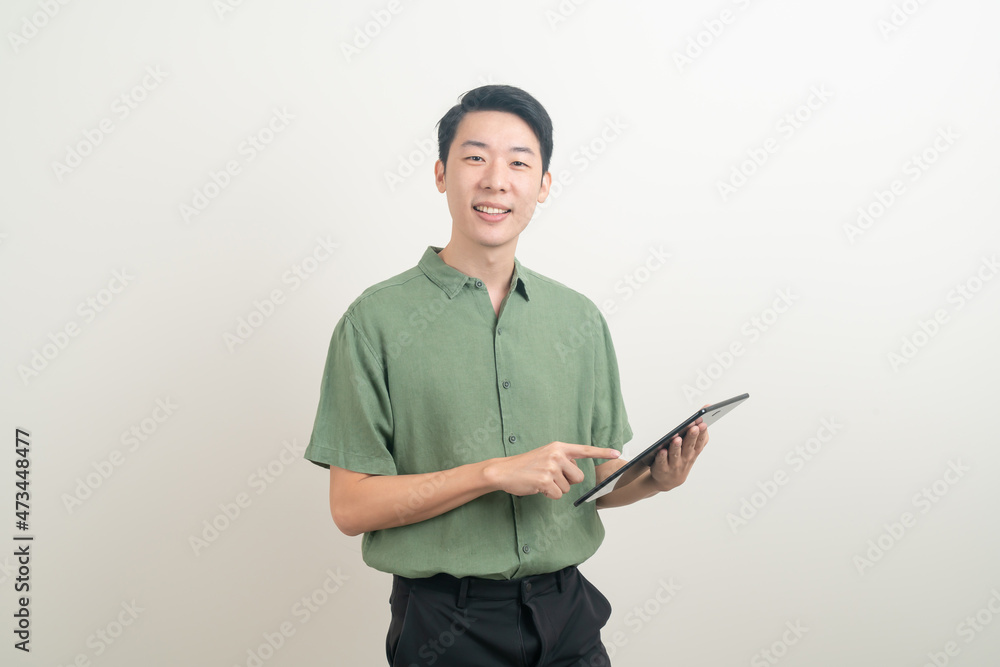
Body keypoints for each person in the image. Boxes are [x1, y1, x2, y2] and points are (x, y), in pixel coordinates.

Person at [303, 84, 710, 666]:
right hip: (445, 626)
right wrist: (492, 472)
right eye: (475, 157)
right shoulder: (373, 322)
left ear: (542, 185)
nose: (496, 180)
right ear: (441, 174)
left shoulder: (579, 319)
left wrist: (655, 480)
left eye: (519, 163)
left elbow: (593, 484)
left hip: (568, 617)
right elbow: (351, 508)